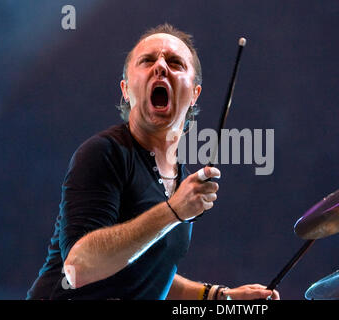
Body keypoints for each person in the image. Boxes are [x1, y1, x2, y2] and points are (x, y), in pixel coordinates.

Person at [26, 24, 279, 300]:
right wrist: (173, 210)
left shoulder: (183, 180)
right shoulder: (103, 154)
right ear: (125, 89)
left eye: (174, 62)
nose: (160, 66)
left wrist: (221, 296)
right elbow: (78, 268)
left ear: (194, 94)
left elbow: (147, 271)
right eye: (147, 61)